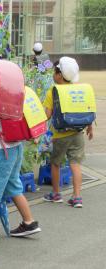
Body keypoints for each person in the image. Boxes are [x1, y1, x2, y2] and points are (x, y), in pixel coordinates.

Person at [43, 57, 94, 208]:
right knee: (75, 164)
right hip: (78, 132)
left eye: (54, 72)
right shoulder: (80, 89)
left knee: (55, 163)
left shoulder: (53, 91)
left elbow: (47, 114)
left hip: (60, 135)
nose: (53, 74)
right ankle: (77, 197)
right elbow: (86, 109)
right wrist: (90, 127)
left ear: (59, 75)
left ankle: (56, 193)